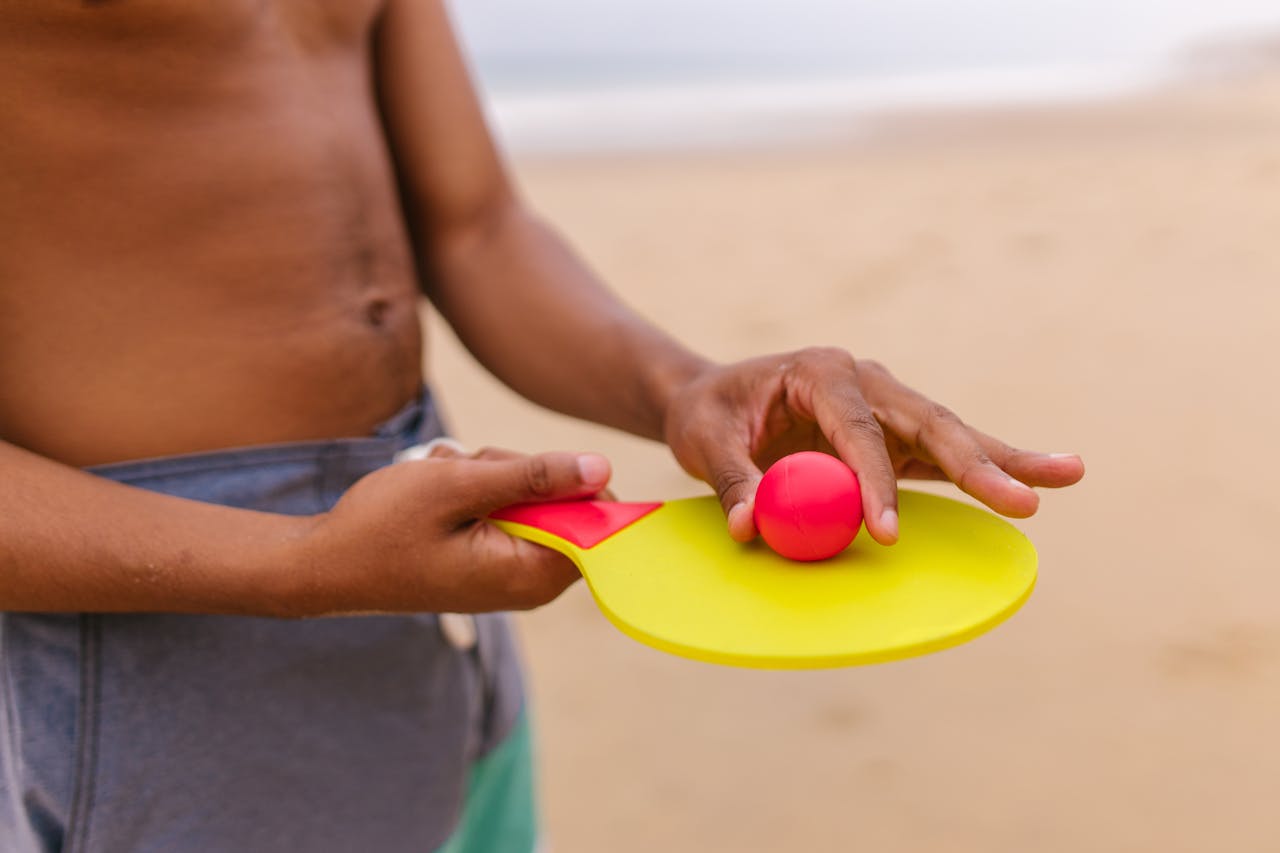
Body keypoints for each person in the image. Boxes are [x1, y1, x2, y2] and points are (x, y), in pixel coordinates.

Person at [0, 2, 1085, 851]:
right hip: (151, 611)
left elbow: (473, 226)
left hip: (421, 565)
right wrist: (296, 564)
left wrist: (682, 385)